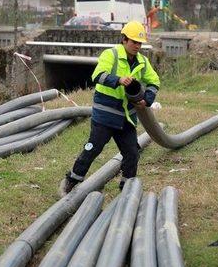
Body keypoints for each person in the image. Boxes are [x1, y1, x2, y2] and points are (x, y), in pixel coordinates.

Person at [60, 21, 160, 196]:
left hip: (126, 118)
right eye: (134, 42)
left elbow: (154, 81)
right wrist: (118, 80)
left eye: (139, 43)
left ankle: (126, 190)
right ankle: (71, 181)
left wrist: (146, 99)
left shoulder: (142, 61)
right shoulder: (111, 55)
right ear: (124, 40)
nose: (137, 46)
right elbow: (97, 76)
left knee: (132, 153)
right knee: (93, 148)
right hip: (105, 116)